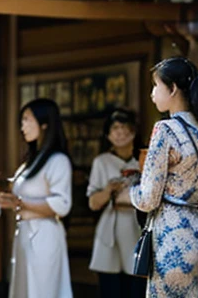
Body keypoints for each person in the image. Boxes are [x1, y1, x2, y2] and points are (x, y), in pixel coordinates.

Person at [130, 57, 198, 298]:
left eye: (156, 86)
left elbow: (148, 199)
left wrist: (131, 191)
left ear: (172, 89)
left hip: (173, 239)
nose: (152, 94)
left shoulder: (166, 130)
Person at [0, 97, 73, 298]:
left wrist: (21, 203)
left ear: (44, 123)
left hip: (44, 235)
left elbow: (61, 204)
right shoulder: (31, 161)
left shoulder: (57, 160)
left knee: (42, 290)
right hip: (25, 233)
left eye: (27, 120)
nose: (22, 126)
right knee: (24, 290)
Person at [87, 108, 146, 298]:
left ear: (134, 131)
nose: (119, 132)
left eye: (124, 127)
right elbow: (93, 203)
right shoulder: (101, 162)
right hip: (110, 230)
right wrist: (109, 190)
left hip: (137, 227)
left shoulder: (144, 159)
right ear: (107, 135)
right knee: (110, 288)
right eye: (114, 128)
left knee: (137, 285)